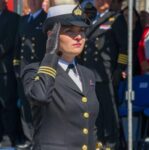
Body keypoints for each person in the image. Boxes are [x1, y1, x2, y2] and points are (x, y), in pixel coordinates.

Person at [21, 2, 100, 150]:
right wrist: (51, 53)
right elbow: (40, 96)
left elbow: (90, 124)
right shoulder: (34, 70)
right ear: (52, 36)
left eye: (82, 30)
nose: (78, 37)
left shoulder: (87, 74)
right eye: (70, 31)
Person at [78, 0, 128, 149]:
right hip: (89, 72)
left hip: (105, 72)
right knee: (93, 111)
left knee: (109, 112)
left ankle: (112, 143)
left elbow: (124, 47)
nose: (99, 1)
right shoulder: (90, 18)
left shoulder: (115, 18)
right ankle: (97, 141)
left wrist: (119, 69)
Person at [13, 0, 47, 148]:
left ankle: (40, 139)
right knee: (25, 107)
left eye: (36, 0)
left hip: (39, 69)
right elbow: (18, 45)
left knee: (39, 107)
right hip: (24, 70)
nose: (32, 2)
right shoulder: (23, 20)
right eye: (30, 0)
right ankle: (29, 139)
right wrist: (17, 66)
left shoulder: (47, 19)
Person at [0, 0, 20, 146]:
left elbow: (9, 42)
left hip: (5, 70)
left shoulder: (14, 18)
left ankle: (9, 136)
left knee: (7, 103)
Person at [122, 6, 142, 76]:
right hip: (122, 71)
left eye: (130, 15)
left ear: (136, 18)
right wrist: (122, 68)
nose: (127, 18)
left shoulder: (141, 35)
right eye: (125, 16)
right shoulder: (119, 34)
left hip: (137, 72)